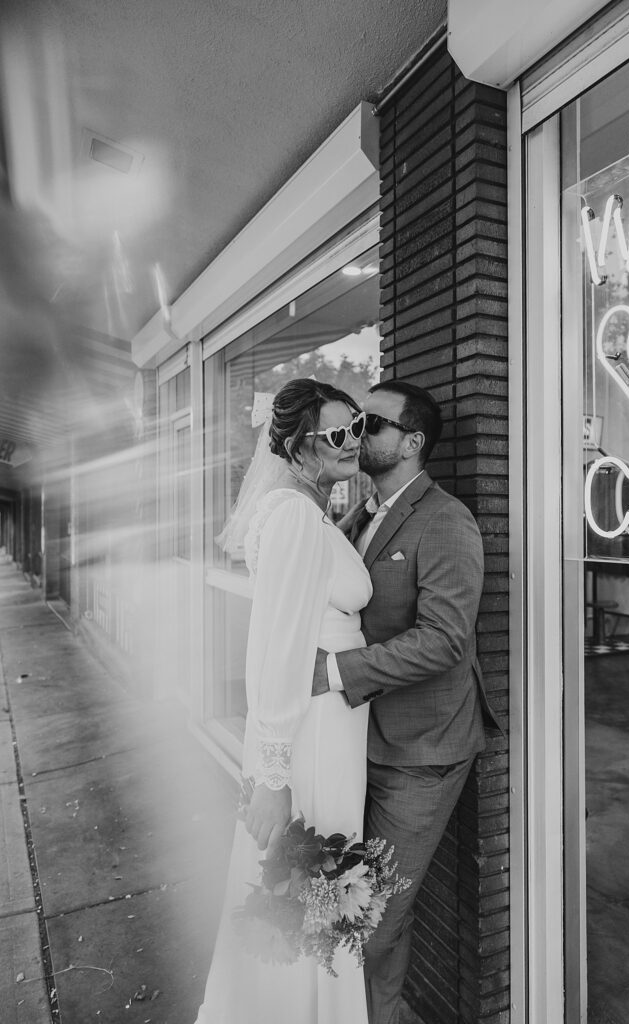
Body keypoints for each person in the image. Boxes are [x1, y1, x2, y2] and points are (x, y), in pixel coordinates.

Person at [312, 379, 504, 1024]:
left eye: (372, 422)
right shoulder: (359, 513)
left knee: (373, 915)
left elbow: (444, 641)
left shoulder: (448, 521)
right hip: (360, 738)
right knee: (360, 903)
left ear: (412, 441)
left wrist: (335, 671)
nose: (358, 432)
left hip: (423, 749)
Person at [195, 378, 373, 1024]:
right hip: (315, 734)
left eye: (356, 428)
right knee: (312, 883)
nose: (352, 442)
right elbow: (276, 652)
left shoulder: (303, 508)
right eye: (335, 435)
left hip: (326, 727)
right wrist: (272, 779)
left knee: (310, 891)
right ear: (298, 448)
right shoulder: (296, 517)